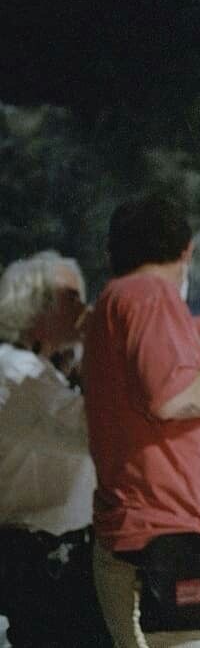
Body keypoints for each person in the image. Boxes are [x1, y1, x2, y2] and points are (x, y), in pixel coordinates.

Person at [84, 196, 200, 647]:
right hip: (168, 549)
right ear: (186, 250)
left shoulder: (117, 303)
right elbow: (172, 397)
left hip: (147, 546)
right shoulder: (149, 295)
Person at [0, 250, 112, 646]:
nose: (84, 309)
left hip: (56, 556)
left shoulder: (42, 371)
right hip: (40, 560)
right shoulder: (15, 372)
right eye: (70, 298)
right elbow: (90, 432)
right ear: (32, 305)